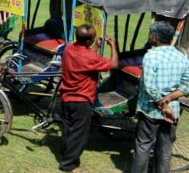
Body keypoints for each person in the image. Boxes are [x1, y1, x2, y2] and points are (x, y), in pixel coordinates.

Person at [58, 24, 118, 172]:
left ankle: (65, 155)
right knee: (79, 134)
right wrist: (114, 46)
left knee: (68, 129)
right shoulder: (89, 56)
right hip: (81, 101)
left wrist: (95, 48)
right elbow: (114, 65)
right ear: (88, 41)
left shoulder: (69, 49)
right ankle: (69, 165)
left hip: (66, 97)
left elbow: (86, 61)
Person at [131, 21, 189, 173]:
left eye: (150, 34)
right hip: (173, 111)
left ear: (155, 38)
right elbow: (186, 85)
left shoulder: (151, 56)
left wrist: (163, 104)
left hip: (150, 110)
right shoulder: (181, 56)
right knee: (165, 149)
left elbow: (149, 86)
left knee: (143, 146)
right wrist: (169, 98)